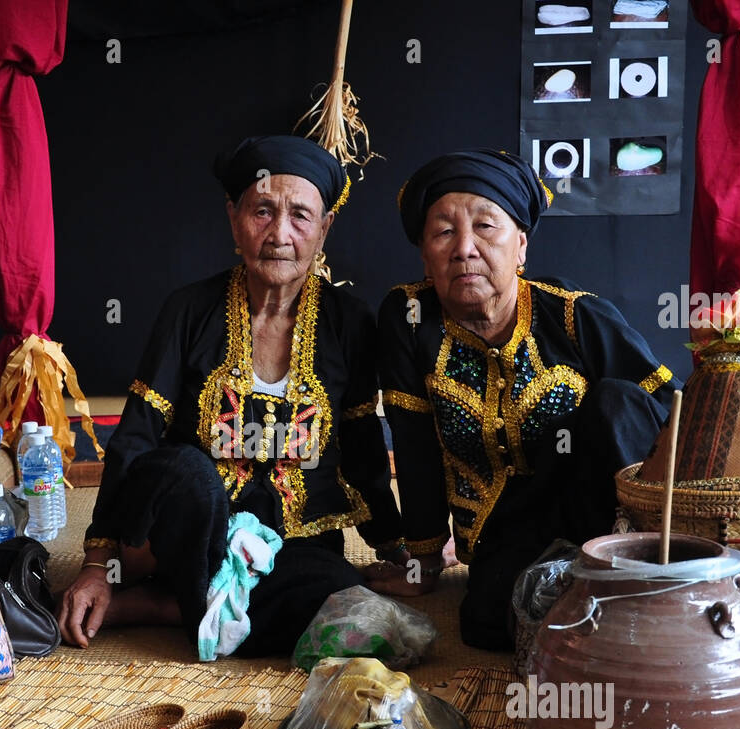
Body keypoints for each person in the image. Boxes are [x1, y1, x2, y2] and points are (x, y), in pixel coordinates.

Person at [58, 135, 402, 654]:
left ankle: (165, 607)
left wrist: (399, 546)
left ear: (325, 228)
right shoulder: (189, 310)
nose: (279, 234)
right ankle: (204, 600)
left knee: (343, 602)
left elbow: (361, 450)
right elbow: (135, 438)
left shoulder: (349, 323)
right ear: (233, 216)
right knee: (186, 472)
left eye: (301, 216)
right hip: (195, 533)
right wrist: (96, 565)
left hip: (295, 540)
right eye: (262, 210)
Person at [368, 149, 677, 648]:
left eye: (486, 226)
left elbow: (669, 412)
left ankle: (646, 573)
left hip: (600, 516)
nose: (464, 248)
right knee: (487, 621)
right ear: (425, 256)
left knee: (615, 402)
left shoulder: (577, 316)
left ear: (521, 246)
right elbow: (414, 444)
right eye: (443, 232)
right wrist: (424, 558)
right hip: (504, 527)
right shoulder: (408, 319)